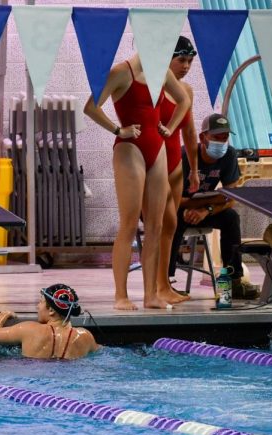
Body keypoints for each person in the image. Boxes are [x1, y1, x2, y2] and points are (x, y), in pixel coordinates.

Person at [84, 51, 190, 311]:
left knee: (155, 224)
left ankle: (150, 295)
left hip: (158, 149)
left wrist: (171, 126)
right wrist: (118, 130)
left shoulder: (161, 73)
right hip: (129, 149)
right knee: (129, 223)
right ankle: (121, 295)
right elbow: (90, 106)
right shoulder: (121, 72)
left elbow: (184, 100)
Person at [167, 113, 260, 300]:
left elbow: (231, 198)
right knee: (174, 217)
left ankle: (234, 281)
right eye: (217, 137)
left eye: (225, 138)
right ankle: (166, 281)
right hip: (173, 208)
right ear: (202, 137)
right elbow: (173, 200)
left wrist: (205, 210)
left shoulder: (229, 155)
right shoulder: (184, 156)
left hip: (202, 210)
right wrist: (213, 200)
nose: (222, 142)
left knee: (231, 218)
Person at [156, 37, 200, 305]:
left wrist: (194, 169)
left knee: (171, 224)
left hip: (175, 163)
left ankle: (164, 284)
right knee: (161, 224)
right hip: (155, 162)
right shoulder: (154, 88)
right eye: (181, 60)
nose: (186, 66)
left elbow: (190, 132)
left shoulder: (187, 91)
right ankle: (157, 287)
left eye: (190, 61)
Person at [0, 284, 99, 359]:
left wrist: (3, 315)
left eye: (40, 302)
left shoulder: (30, 330)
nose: (37, 306)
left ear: (51, 310)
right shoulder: (86, 337)